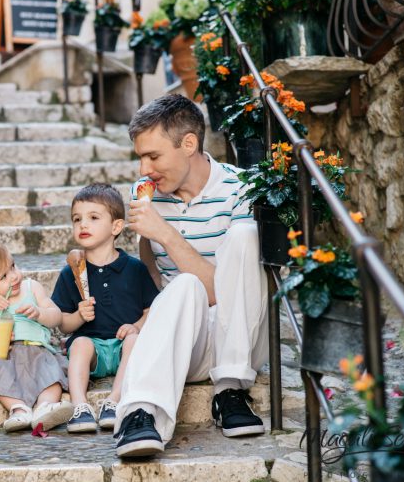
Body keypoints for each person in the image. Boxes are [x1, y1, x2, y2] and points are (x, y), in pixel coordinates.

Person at [113, 94, 268, 457]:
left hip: (244, 339)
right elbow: (160, 282)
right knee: (183, 285)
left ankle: (230, 392)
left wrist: (165, 232)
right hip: (190, 343)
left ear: (188, 144)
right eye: (140, 158)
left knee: (245, 236)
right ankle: (141, 412)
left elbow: (220, 292)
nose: (143, 170)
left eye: (153, 156)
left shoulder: (242, 188)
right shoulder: (151, 198)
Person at [52, 184, 159, 433]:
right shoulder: (71, 272)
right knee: (79, 344)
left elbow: (151, 310)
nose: (83, 225)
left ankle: (114, 401)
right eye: (76, 219)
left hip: (124, 347)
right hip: (93, 351)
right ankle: (80, 406)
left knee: (135, 339)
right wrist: (79, 316)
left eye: (93, 218)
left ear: (116, 227)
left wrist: (135, 326)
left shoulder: (135, 269)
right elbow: (63, 323)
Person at [0, 240, 74, 432]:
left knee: (51, 374)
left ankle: (45, 406)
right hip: (4, 353)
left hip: (37, 349)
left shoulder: (30, 287)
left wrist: (40, 313)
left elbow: (57, 316)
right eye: (3, 276)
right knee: (0, 375)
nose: (14, 276)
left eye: (13, 266)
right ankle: (18, 409)